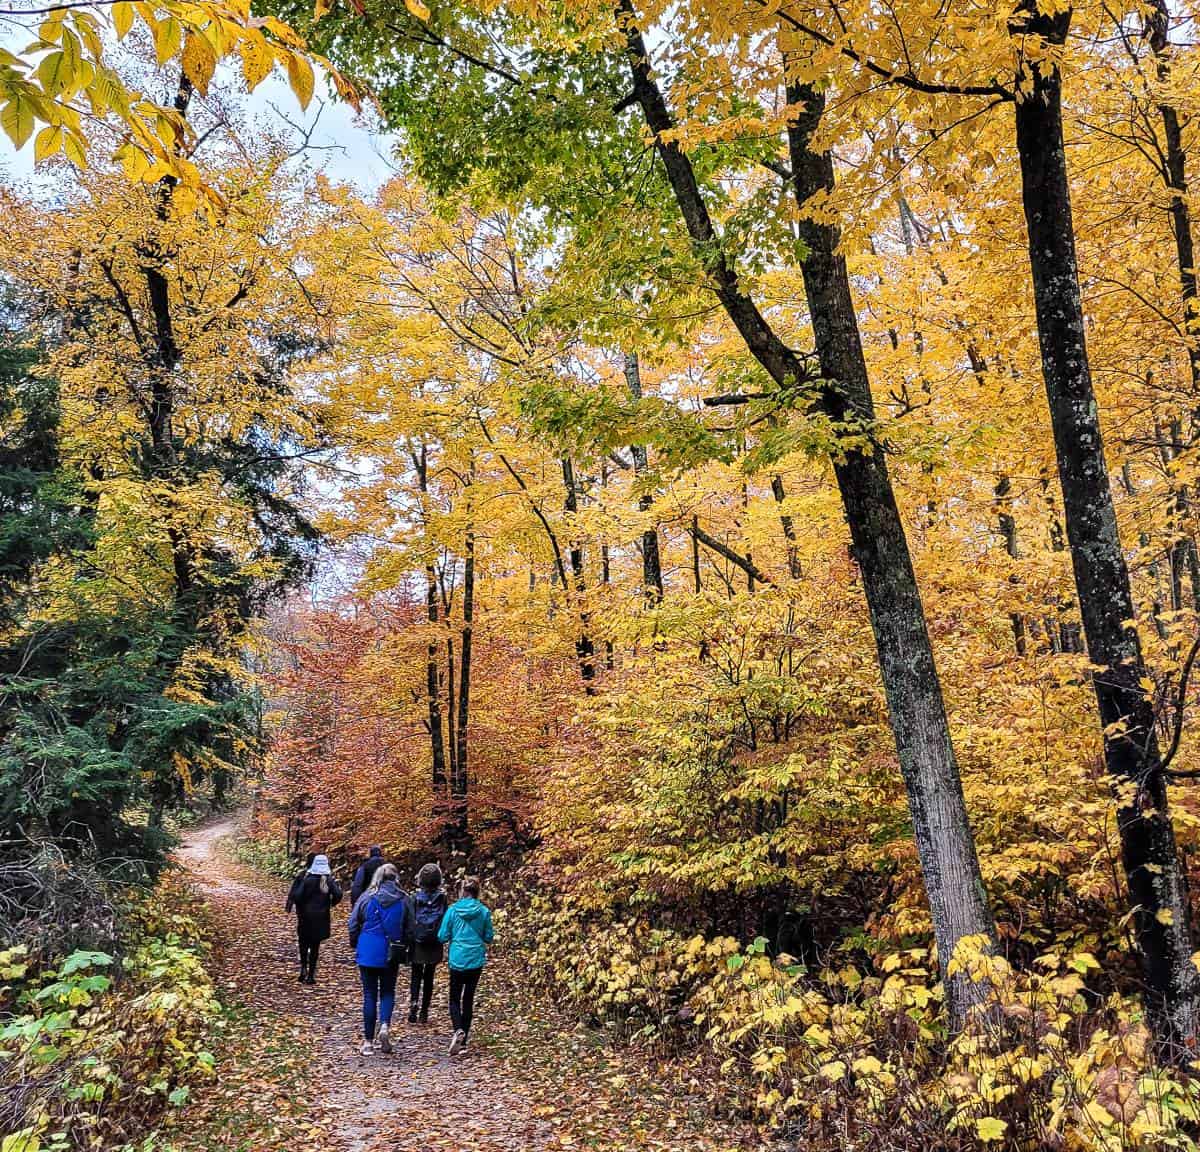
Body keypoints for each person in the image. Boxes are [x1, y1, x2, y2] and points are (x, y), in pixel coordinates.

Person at [347, 863, 412, 1057]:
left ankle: (368, 1042)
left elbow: (353, 923)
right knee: (387, 991)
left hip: (368, 948)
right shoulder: (404, 899)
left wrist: (355, 943)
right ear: (396, 879)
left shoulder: (366, 898)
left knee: (369, 994)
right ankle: (384, 1024)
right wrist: (405, 946)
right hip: (391, 951)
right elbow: (410, 927)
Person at [437, 876, 494, 1056]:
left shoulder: (453, 911)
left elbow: (442, 935)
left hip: (457, 958)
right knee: (468, 998)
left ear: (462, 891)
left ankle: (457, 1030)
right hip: (475, 959)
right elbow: (489, 937)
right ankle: (464, 1042)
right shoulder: (484, 911)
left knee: (454, 997)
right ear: (477, 892)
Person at [285, 853, 342, 985]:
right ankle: (311, 975)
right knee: (315, 946)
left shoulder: (307, 879)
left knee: (303, 943)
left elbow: (297, 896)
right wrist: (330, 904)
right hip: (321, 918)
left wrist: (299, 905)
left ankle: (303, 968)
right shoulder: (328, 880)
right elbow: (338, 894)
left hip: (305, 917)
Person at [408, 863, 448, 1024]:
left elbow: (410, 919)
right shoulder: (443, 898)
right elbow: (445, 917)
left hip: (418, 939)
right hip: (435, 940)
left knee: (416, 973)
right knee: (430, 975)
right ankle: (425, 1010)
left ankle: (414, 1002)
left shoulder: (415, 898)